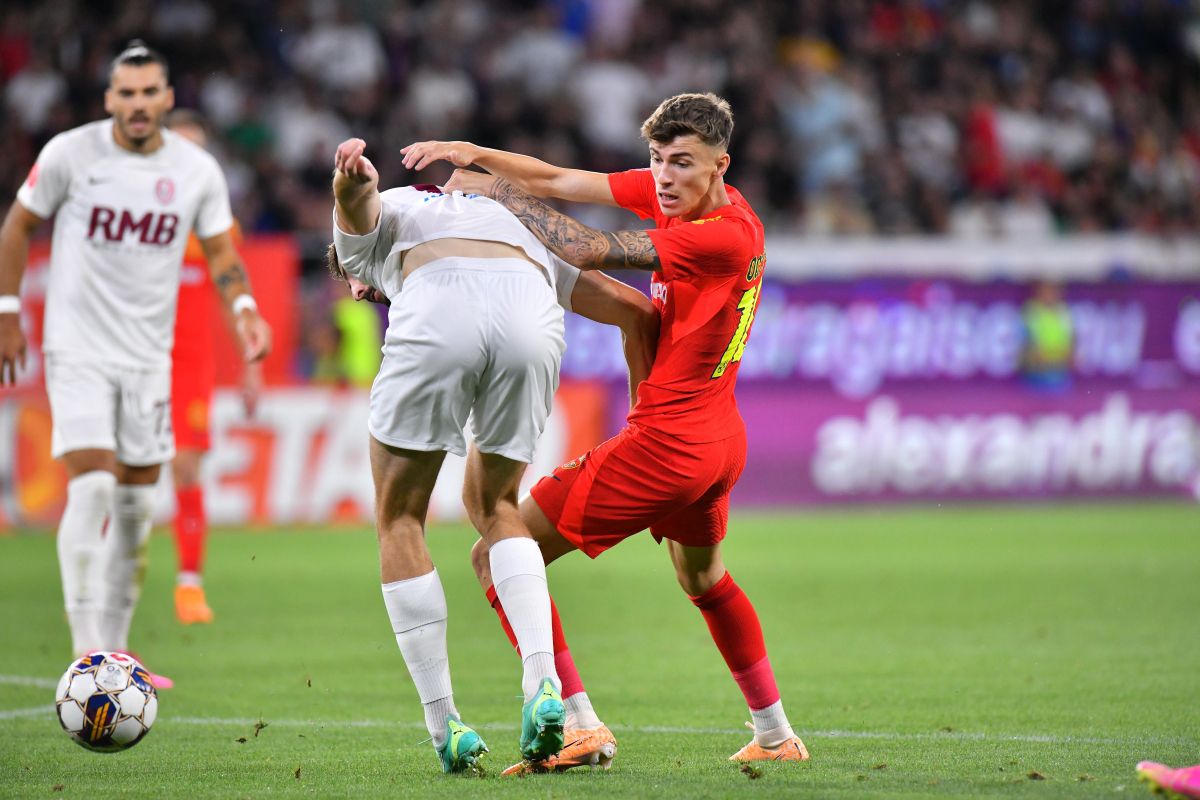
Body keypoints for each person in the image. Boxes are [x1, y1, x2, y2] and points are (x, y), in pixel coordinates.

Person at [402, 92, 809, 768]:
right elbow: (562, 181)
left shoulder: (723, 235)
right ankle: (775, 735)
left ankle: (581, 722)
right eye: (656, 161)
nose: (665, 176)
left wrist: (494, 193)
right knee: (704, 577)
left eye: (682, 163)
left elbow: (587, 247)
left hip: (669, 446)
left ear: (720, 166)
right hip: (715, 442)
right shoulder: (680, 199)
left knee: (496, 553)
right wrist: (475, 154)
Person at [330, 137, 657, 773]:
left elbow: (357, 206)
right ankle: (544, 686)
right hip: (528, 314)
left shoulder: (393, 211)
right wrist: (650, 420)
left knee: (400, 518)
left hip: (439, 308)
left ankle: (443, 724)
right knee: (497, 503)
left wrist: (353, 177)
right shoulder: (514, 215)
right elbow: (635, 310)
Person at [0, 41, 271, 685]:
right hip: (78, 347)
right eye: (127, 93)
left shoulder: (196, 170)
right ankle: (85, 648)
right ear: (109, 100)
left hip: (150, 356)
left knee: (134, 508)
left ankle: (117, 653)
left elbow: (223, 255)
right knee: (92, 483)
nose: (139, 104)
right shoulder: (71, 153)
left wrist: (245, 311)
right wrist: (8, 310)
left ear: (169, 98)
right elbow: (16, 228)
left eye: (151, 92)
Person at [164, 108, 262, 625]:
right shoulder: (137, 215)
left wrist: (250, 366)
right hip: (134, 357)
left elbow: (232, 299)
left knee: (186, 466)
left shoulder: (216, 226)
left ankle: (189, 585)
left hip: (189, 364)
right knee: (117, 475)